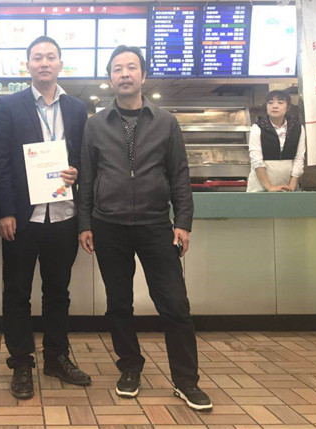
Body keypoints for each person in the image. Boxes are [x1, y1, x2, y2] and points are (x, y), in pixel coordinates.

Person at [77, 45, 212, 411]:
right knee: (118, 304)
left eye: (131, 67)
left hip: (156, 225)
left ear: (143, 75)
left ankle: (186, 381)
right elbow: (87, 178)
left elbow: (179, 175)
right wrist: (85, 223)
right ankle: (130, 367)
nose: (125, 73)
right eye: (117, 68)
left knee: (175, 304)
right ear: (110, 78)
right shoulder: (95, 124)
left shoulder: (165, 122)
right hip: (108, 225)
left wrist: (183, 222)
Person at [0, 36, 91, 399]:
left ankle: (56, 357)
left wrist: (77, 171)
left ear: (61, 64)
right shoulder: (8, 105)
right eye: (37, 58)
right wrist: (3, 211)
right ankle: (20, 362)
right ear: (28, 65)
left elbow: (83, 157)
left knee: (58, 291)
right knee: (16, 292)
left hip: (64, 215)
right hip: (22, 217)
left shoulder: (77, 108)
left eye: (50, 57)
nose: (44, 63)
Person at [247, 90, 306, 192]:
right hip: (261, 186)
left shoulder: (297, 128)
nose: (274, 106)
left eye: (280, 102)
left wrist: (292, 185)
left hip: (288, 185)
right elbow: (256, 160)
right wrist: (269, 187)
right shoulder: (257, 127)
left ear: (288, 107)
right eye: (270, 103)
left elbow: (299, 157)